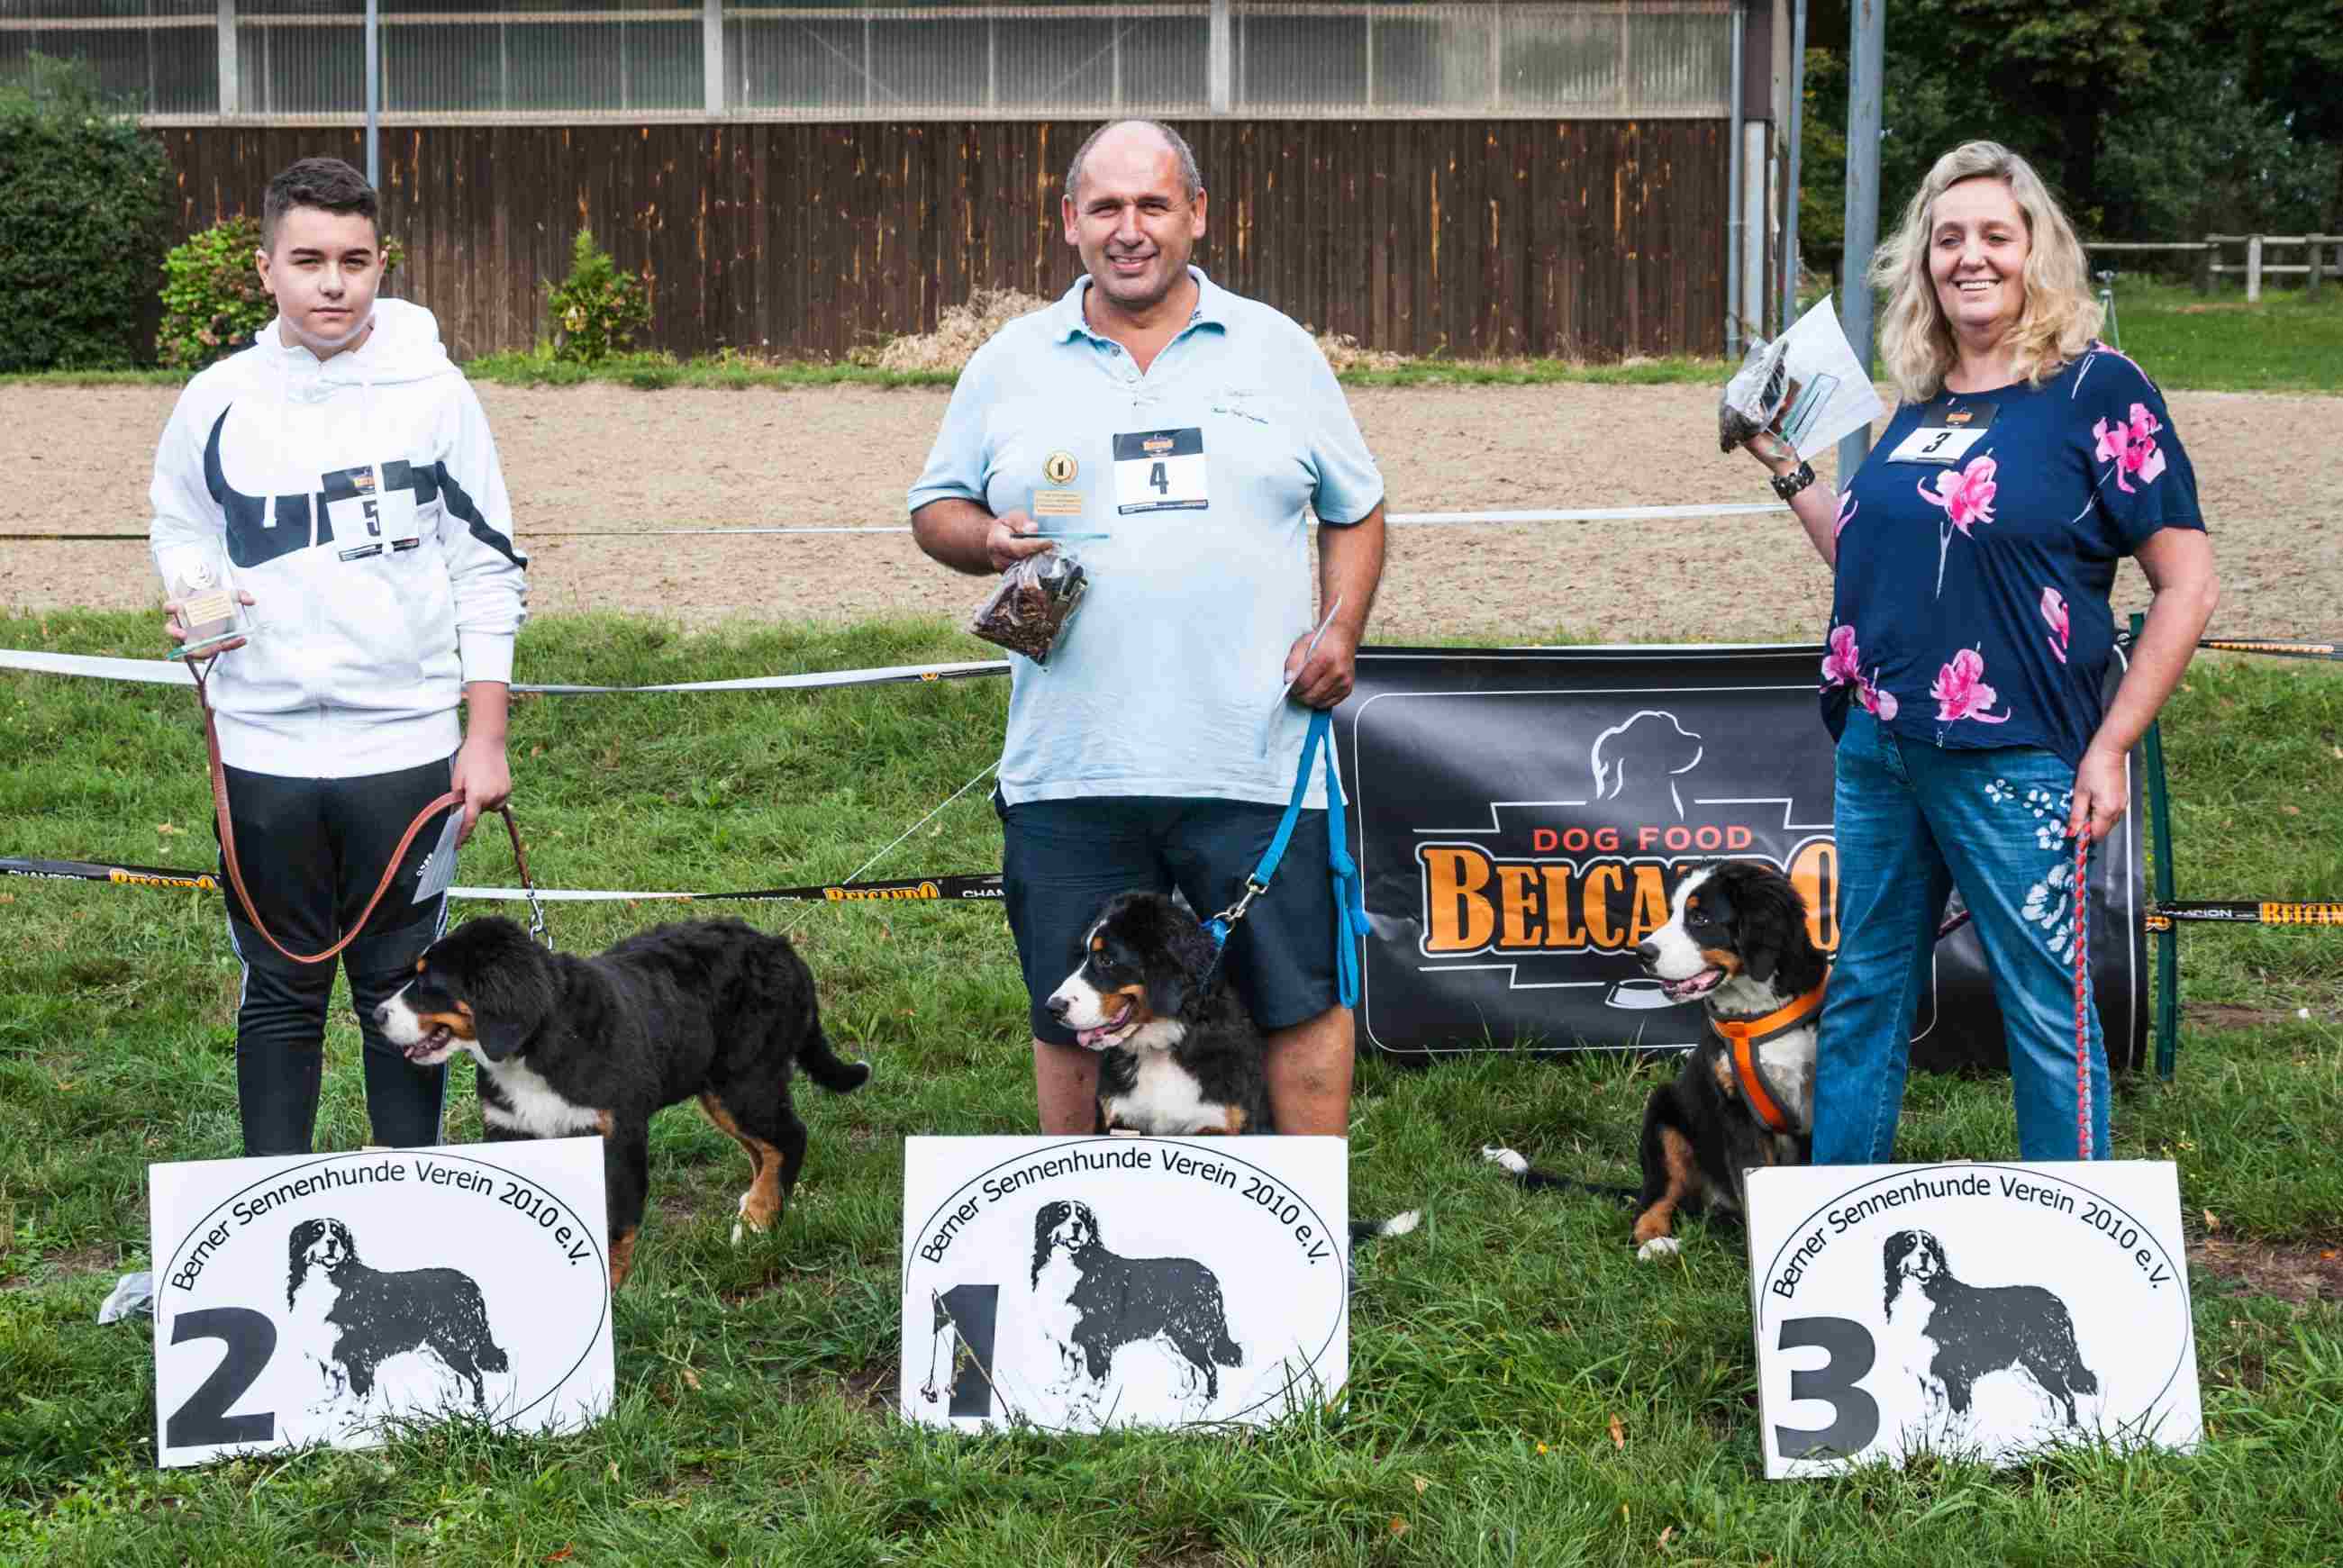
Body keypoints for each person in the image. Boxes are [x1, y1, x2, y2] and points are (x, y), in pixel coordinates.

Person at [1738, 140, 2218, 1162]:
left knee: (2043, 1005)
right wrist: (1786, 465)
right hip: (1881, 745)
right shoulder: (1925, 394)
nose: (1970, 256)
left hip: (2014, 755)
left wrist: (2112, 745)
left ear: (2036, 248)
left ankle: (2073, 1228)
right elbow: (1871, 562)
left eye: (1995, 235)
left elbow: (2188, 585)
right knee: (1864, 991)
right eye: (1948, 237)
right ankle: (1836, 1221)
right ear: (1923, 260)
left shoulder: (2097, 388)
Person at [908, 119, 1387, 1137]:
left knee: (1297, 994)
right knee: (1073, 1006)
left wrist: (1339, 629)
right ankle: (1079, 1201)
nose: (1130, 229)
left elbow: (1356, 507)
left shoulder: (1277, 350)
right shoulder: (1009, 361)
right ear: (1069, 221)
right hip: (1071, 767)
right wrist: (985, 536)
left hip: (1256, 757)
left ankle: (1307, 1215)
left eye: (1153, 205)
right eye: (1107, 207)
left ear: (1197, 215)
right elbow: (934, 509)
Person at [149, 157, 529, 1156]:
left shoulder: (436, 394)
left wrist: (484, 736)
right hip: (261, 747)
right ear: (265, 268)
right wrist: (195, 595)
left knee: (401, 994)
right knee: (280, 990)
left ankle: (408, 1191)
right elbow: (180, 524)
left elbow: (487, 568)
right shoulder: (216, 398)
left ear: (381, 265)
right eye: (308, 260)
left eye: (354, 262)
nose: (332, 283)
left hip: (403, 750)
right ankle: (265, 1200)